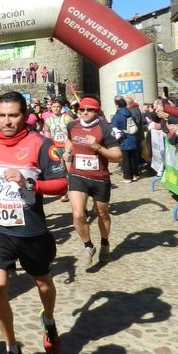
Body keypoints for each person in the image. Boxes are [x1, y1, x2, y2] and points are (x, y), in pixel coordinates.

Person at [0, 91, 67, 354]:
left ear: (25, 115)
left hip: (30, 231)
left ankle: (48, 319)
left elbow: (62, 184)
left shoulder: (41, 144)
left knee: (43, 284)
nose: (7, 121)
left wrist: (30, 183)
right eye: (1, 115)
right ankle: (12, 350)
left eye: (13, 115)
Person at [64, 96, 122, 269]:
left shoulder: (105, 128)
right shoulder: (72, 126)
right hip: (77, 176)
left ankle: (105, 242)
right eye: (82, 109)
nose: (85, 112)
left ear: (97, 111)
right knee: (78, 214)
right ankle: (88, 246)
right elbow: (69, 140)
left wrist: (98, 147)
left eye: (89, 110)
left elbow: (117, 156)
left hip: (99, 178)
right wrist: (68, 150)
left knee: (102, 214)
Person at [111, 97, 141, 183]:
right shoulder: (131, 113)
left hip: (124, 138)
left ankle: (127, 177)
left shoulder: (118, 115)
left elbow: (114, 127)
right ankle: (135, 175)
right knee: (133, 158)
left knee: (126, 159)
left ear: (117, 105)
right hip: (133, 136)